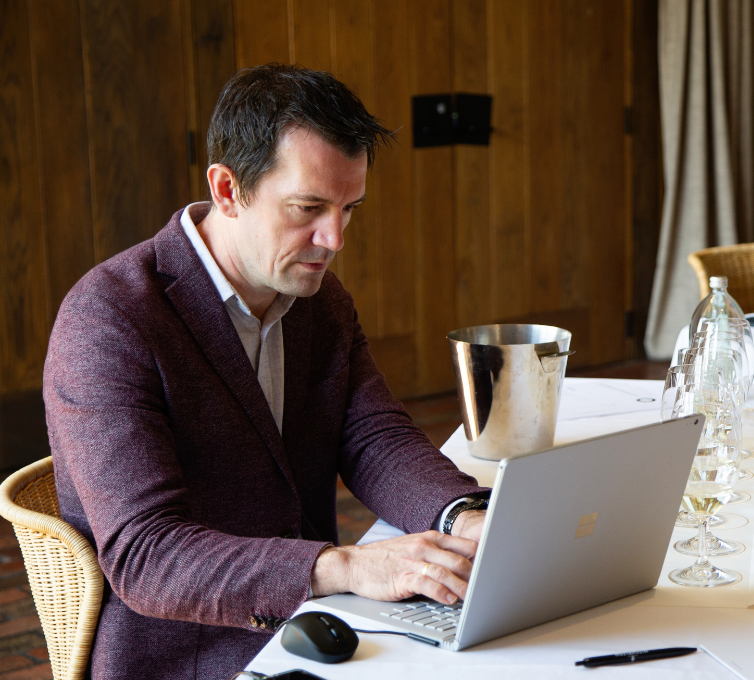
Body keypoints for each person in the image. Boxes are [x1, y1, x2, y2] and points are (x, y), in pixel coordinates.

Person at [44, 65, 492, 680]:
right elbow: (148, 556)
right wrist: (349, 567)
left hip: (319, 623)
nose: (334, 239)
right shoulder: (110, 316)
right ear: (228, 189)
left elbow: (373, 440)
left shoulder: (319, 300)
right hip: (192, 653)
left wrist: (466, 518)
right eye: (308, 207)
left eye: (349, 208)